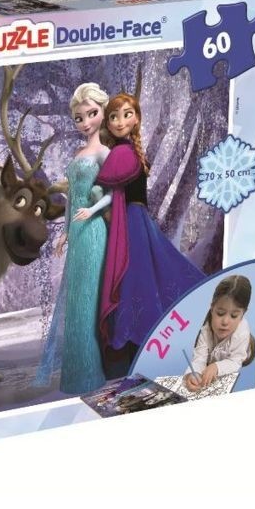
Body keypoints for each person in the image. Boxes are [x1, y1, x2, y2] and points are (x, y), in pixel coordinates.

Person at [96, 91, 204, 372]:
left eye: (126, 115)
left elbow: (102, 185)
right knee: (154, 273)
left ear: (136, 118)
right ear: (108, 123)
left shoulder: (121, 153)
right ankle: (150, 342)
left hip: (130, 221)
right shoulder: (133, 152)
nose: (120, 121)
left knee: (134, 279)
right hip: (140, 219)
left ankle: (138, 342)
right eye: (114, 117)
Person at [35, 83, 110, 394]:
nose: (86, 122)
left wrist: (92, 209)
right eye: (79, 118)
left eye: (91, 114)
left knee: (88, 300)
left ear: (102, 112)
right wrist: (65, 232)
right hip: (77, 233)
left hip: (94, 230)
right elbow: (71, 198)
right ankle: (77, 375)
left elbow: (113, 193)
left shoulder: (104, 153)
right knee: (76, 301)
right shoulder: (79, 153)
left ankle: (91, 374)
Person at [184, 275, 255, 391]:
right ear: (212, 308)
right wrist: (193, 374)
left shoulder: (241, 333)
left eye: (234, 316)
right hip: (215, 356)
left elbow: (235, 362)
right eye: (220, 313)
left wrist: (217, 367)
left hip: (241, 353)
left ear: (243, 314)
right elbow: (199, 358)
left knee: (242, 353)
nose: (225, 321)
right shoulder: (206, 330)